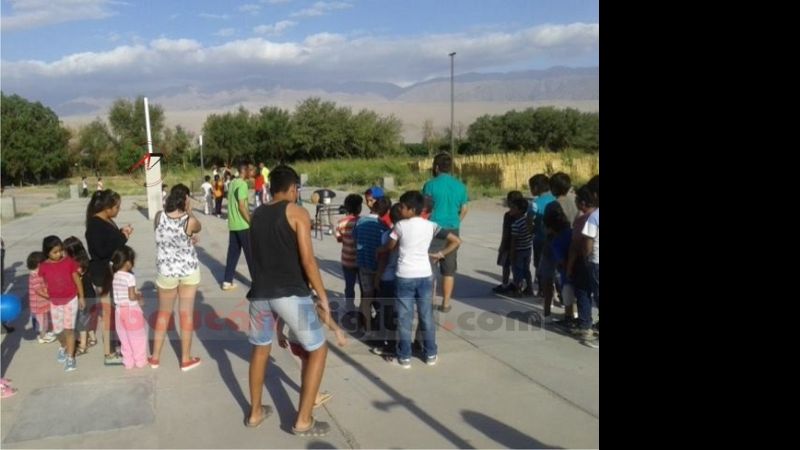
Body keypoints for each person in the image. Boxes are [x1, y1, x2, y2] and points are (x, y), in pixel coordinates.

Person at [245, 165, 333, 436]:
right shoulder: (297, 213)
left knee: (260, 349)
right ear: (294, 188)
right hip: (292, 294)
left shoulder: (257, 214)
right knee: (318, 349)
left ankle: (255, 412)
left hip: (260, 294)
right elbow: (308, 260)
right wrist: (323, 296)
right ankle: (304, 419)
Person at [378, 191, 461, 368]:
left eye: (402, 206)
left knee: (404, 317)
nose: (400, 209)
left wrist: (381, 249)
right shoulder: (431, 225)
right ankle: (431, 353)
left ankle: (405, 356)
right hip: (425, 275)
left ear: (412, 209)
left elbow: (390, 246)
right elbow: (456, 240)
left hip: (404, 276)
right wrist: (440, 254)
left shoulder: (399, 226)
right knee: (426, 316)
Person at [149, 184, 203, 371]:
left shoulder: (158, 216)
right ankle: (186, 359)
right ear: (185, 199)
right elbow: (197, 227)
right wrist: (189, 212)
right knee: (186, 314)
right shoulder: (189, 220)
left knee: (163, 313)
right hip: (188, 271)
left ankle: (155, 358)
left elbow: (164, 237)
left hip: (166, 271)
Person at [85, 189, 131, 365]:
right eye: (117, 207)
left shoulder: (106, 221)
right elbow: (102, 251)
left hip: (110, 272)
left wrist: (120, 234)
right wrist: (123, 238)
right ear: (107, 208)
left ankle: (116, 343)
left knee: (114, 311)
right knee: (107, 314)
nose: (118, 210)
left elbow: (109, 241)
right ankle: (108, 354)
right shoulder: (95, 225)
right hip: (102, 274)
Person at [422, 153, 468, 313]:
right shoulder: (460, 186)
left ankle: (429, 300)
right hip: (453, 230)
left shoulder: (430, 185)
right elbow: (464, 208)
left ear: (436, 167)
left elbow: (425, 208)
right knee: (449, 269)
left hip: (433, 229)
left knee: (429, 266)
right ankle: (446, 303)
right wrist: (456, 221)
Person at [38, 235, 85, 372]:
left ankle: (71, 357)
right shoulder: (43, 267)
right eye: (55, 252)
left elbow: (77, 279)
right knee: (58, 331)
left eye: (60, 251)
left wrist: (81, 297)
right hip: (55, 303)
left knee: (69, 329)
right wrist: (47, 296)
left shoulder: (69, 262)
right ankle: (63, 346)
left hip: (71, 300)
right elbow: (40, 285)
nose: (59, 254)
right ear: (47, 253)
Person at [109, 246, 148, 368]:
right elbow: (131, 296)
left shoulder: (115, 276)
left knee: (124, 338)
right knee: (138, 337)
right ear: (127, 262)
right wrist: (139, 296)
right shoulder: (129, 277)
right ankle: (140, 361)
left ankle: (128, 362)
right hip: (131, 311)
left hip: (119, 311)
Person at [221, 164, 253, 291]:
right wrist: (250, 221)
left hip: (233, 225)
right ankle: (257, 283)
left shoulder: (232, 183)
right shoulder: (243, 185)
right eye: (249, 170)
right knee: (251, 255)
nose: (251, 172)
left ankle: (227, 281)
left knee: (232, 254)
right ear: (244, 171)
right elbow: (241, 205)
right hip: (243, 225)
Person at [27, 251, 56, 344]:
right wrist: (50, 296)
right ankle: (42, 336)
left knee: (45, 320)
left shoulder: (39, 273)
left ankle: (45, 334)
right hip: (38, 304)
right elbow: (38, 290)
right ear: (39, 264)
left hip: (43, 302)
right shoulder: (35, 276)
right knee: (42, 322)